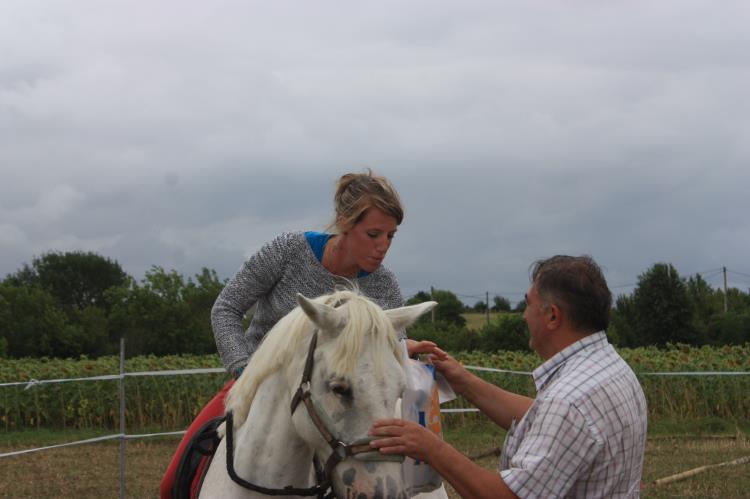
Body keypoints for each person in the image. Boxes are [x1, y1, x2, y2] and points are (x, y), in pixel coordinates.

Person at [160, 170, 438, 498]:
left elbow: (389, 348)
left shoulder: (384, 284)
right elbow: (226, 308)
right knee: (172, 482)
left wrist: (407, 348)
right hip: (263, 385)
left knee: (417, 481)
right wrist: (244, 371)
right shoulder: (288, 251)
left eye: (390, 237)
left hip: (344, 404)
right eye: (374, 234)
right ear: (344, 222)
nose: (382, 247)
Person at [370, 255, 648, 499]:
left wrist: (431, 448)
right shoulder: (609, 369)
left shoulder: (568, 403)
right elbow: (543, 419)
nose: (524, 316)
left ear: (552, 317)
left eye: (528, 304)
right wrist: (464, 381)